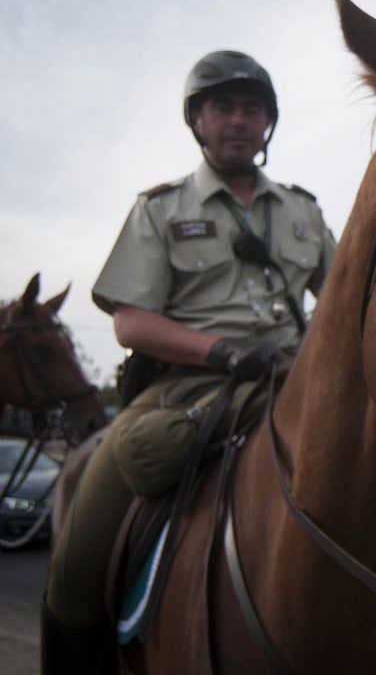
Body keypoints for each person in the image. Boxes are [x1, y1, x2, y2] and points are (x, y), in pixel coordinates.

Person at [41, 50, 336, 674]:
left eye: (250, 108)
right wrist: (224, 349)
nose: (237, 120)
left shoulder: (305, 211)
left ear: (267, 124)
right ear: (197, 122)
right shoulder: (162, 208)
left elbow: (343, 303)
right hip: (185, 392)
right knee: (75, 565)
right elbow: (129, 320)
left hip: (293, 382)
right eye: (221, 107)